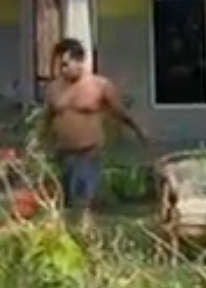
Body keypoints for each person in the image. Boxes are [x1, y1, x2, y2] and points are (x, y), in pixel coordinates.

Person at [43, 38, 147, 221]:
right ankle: (75, 230)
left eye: (66, 64)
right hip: (65, 153)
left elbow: (120, 112)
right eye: (60, 65)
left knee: (83, 197)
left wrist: (139, 131)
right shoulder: (53, 89)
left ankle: (86, 227)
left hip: (89, 150)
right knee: (68, 198)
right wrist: (43, 141)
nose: (63, 69)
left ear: (80, 61)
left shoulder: (100, 86)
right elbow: (48, 117)